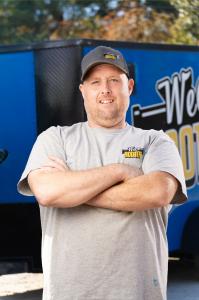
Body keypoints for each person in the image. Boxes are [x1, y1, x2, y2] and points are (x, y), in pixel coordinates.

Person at [17, 45, 187, 300]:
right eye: (95, 82)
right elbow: (47, 191)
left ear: (129, 87)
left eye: (113, 81)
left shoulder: (156, 142)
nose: (105, 89)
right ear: (83, 91)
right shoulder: (55, 138)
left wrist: (73, 190)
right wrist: (121, 171)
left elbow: (157, 191)